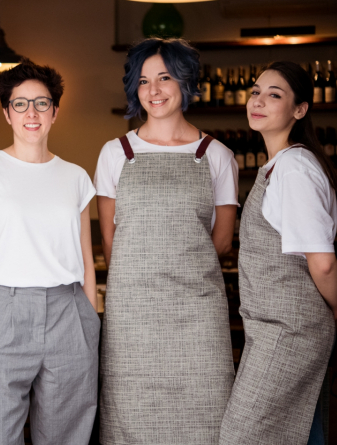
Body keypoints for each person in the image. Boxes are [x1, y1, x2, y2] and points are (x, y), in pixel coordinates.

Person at [95, 38, 237, 444]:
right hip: (132, 316)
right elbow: (111, 241)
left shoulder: (217, 155)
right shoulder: (115, 153)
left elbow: (222, 242)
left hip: (197, 315)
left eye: (164, 77)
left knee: (206, 413)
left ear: (187, 81)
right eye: (143, 81)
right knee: (130, 416)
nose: (153, 90)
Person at [219, 61, 337, 445]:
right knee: (301, 432)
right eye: (255, 92)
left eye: (274, 94)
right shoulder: (279, 166)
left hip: (291, 330)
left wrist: (336, 312)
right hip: (276, 327)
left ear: (299, 110)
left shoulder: (295, 169)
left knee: (242, 435)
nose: (259, 101)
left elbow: (323, 260)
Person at [0, 59, 99, 445]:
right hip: (4, 309)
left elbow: (87, 259)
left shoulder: (75, 177)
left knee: (66, 435)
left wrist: (87, 318)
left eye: (42, 102)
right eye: (20, 104)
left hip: (69, 313)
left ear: (55, 111)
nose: (31, 113)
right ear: (6, 113)